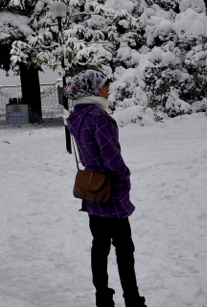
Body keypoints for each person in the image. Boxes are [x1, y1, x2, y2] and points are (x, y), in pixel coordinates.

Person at [66, 69, 147, 307]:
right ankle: (132, 299)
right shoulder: (98, 117)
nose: (107, 90)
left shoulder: (77, 117)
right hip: (110, 190)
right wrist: (124, 174)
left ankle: (102, 298)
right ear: (93, 89)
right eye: (104, 85)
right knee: (124, 248)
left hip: (92, 189)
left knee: (99, 246)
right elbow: (110, 156)